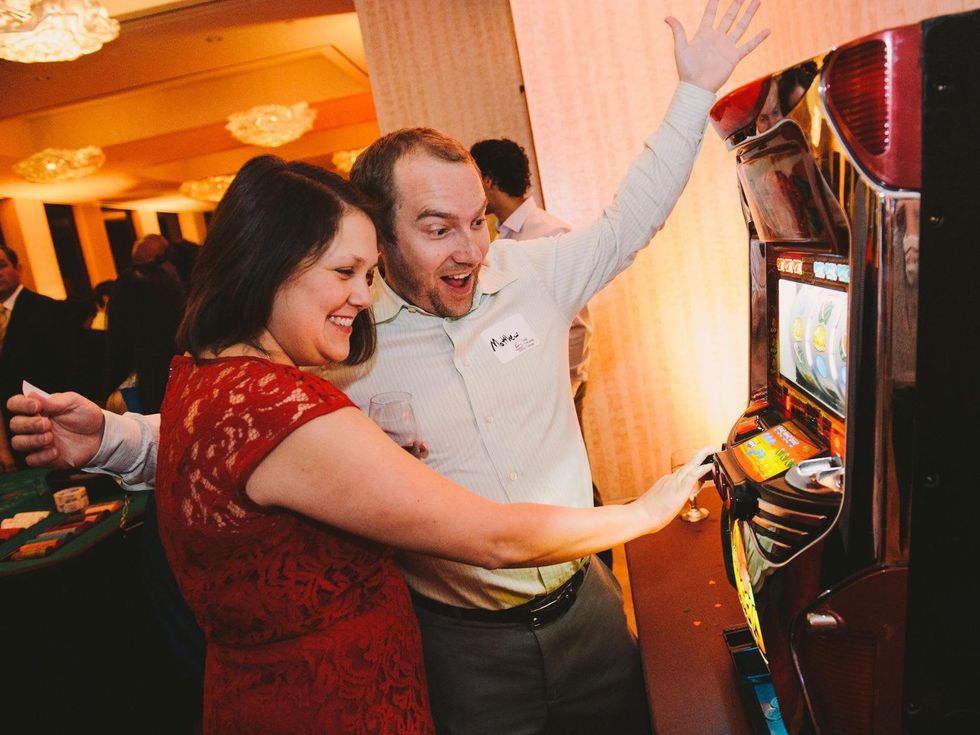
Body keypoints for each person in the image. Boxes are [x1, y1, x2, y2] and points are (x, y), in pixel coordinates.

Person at [7, 1, 767, 731]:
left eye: (478, 221)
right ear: (385, 235)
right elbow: (238, 441)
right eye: (438, 228)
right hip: (461, 644)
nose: (469, 248)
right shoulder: (345, 341)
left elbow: (631, 217)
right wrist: (111, 437)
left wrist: (694, 92)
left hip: (586, 605)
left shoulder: (532, 275)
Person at [470, 136, 611, 567]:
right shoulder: (502, 240)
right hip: (530, 383)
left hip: (559, 383)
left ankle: (600, 565)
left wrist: (565, 385)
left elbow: (577, 325)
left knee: (573, 477)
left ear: (489, 180)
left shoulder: (548, 234)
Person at [0, 244, 87, 471]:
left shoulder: (46, 309)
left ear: (18, 269)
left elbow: (67, 368)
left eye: (1, 266)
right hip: (10, 433)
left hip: (49, 426)